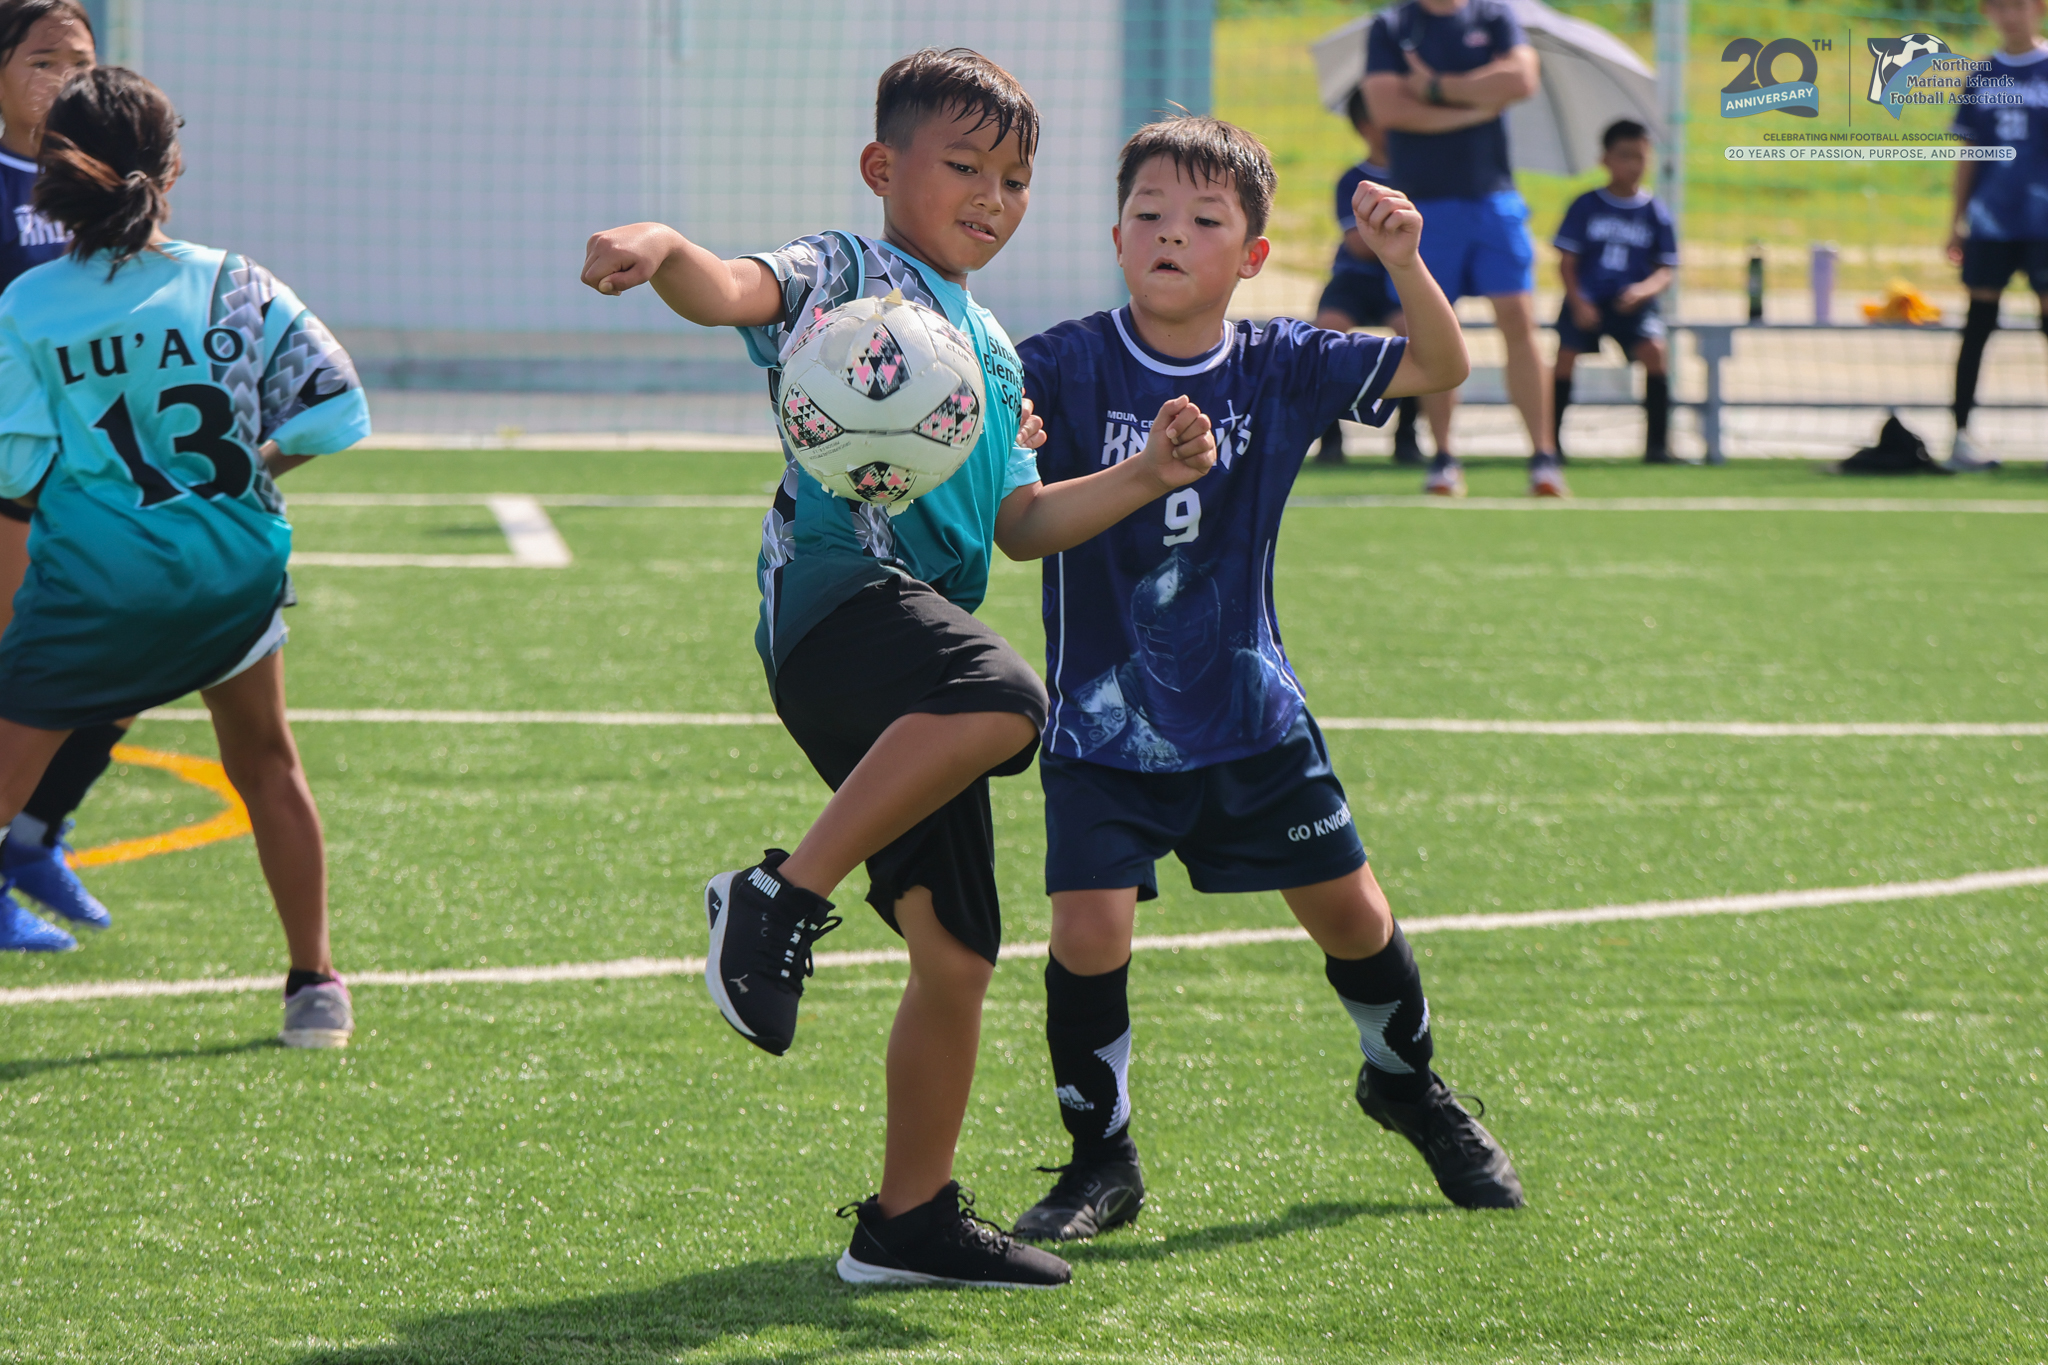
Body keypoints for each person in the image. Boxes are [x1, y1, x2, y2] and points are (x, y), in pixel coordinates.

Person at [579, 48, 1218, 1290]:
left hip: (916, 654)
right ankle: (774, 898)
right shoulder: (842, 273)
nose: (992, 195)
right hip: (837, 606)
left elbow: (1018, 525)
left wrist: (1145, 474)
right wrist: (662, 246)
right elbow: (731, 290)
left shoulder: (991, 352)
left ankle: (906, 1223)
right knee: (1005, 695)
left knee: (959, 951)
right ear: (882, 167)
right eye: (965, 165)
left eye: (1015, 180)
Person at [1006, 115, 1523, 1246]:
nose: (1169, 234)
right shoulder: (1057, 365)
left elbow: (1442, 365)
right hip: (1104, 723)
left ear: (1250, 256)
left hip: (1251, 715)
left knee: (1355, 918)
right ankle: (1101, 1161)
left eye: (1203, 220)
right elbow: (1019, 530)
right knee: (1088, 932)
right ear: (1114, 234)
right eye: (1147, 213)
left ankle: (1406, 1085)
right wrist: (1124, 468)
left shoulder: (1280, 363)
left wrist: (1403, 262)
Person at [0, 66, 367, 1046]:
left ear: (52, 169)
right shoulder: (236, 282)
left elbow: (16, 466)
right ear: (172, 170)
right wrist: (249, 469)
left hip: (97, 587)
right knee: (267, 764)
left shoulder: (30, 304)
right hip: (229, 576)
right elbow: (336, 407)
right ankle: (315, 987)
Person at [0, 0, 119, 953]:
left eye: (79, 63)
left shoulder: (111, 184)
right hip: (13, 476)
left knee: (130, 656)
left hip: (97, 470)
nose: (64, 81)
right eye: (43, 62)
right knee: (22, 671)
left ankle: (36, 834)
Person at [1363, 0, 1567, 497]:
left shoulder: (1493, 15)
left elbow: (1521, 79)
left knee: (1520, 323)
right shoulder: (1392, 25)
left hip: (1495, 198)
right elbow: (1388, 108)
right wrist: (1476, 106)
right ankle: (1445, 457)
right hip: (1424, 206)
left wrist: (1435, 87)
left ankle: (1543, 458)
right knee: (1434, 329)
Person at [1945, 0, 2048, 472]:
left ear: (2038, 9)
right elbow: (1969, 154)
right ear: (1988, 12)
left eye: (2018, 5)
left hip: (2043, 224)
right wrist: (1956, 221)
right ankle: (1961, 434)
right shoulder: (1982, 74)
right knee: (1978, 325)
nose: (2010, 15)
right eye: (1999, 6)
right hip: (1992, 222)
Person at [1552, 120, 1680, 465]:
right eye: (1625, 156)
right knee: (1565, 355)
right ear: (1605, 159)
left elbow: (1665, 269)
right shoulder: (1586, 205)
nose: (1634, 165)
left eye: (1641, 157)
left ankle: (1657, 446)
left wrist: (1643, 291)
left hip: (1632, 305)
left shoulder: (1654, 212)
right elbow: (1566, 262)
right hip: (1587, 300)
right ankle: (1551, 444)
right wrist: (1578, 301)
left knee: (1655, 351)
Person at [1312, 88, 1423, 466]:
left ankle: (1407, 435)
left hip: (1401, 279)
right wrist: (1400, 235)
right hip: (1355, 279)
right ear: (1364, 126)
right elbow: (1358, 245)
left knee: (1415, 335)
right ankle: (1329, 436)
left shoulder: (1422, 178)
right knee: (1326, 333)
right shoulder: (1354, 181)